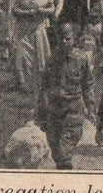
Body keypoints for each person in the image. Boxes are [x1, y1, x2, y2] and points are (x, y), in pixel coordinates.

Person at [38, 23, 95, 170]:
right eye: (61, 38)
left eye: (68, 38)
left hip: (73, 109)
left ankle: (66, 176)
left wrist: (91, 107)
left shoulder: (81, 59)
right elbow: (44, 87)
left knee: (64, 151)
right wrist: (41, 111)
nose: (64, 41)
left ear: (74, 40)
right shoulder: (52, 59)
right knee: (55, 150)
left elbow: (88, 84)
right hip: (55, 108)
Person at [13, 0, 55, 92]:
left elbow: (52, 8)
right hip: (24, 29)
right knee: (23, 55)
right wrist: (27, 13)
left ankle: (41, 82)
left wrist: (44, 10)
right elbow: (14, 10)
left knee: (41, 56)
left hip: (38, 28)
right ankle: (23, 82)